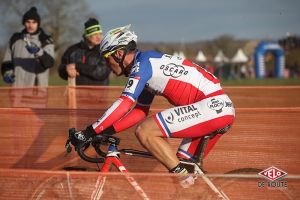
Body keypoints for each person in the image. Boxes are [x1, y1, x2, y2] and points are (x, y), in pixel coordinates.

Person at [69, 25, 235, 187]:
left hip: (212, 107)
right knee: (185, 176)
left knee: (145, 131)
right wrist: (105, 131)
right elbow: (139, 112)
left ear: (119, 53)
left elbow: (124, 103)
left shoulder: (143, 65)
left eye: (107, 59)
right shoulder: (147, 62)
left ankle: (182, 174)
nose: (106, 65)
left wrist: (88, 132)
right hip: (216, 109)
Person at [1, 6, 55, 87]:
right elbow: (7, 61)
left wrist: (38, 51)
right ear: (24, 23)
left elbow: (49, 63)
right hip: (17, 90)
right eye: (28, 22)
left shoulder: (46, 40)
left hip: (37, 90)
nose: (30, 25)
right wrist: (7, 72)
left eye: (34, 22)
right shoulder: (15, 39)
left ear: (38, 24)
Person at [58, 18, 110, 85]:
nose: (99, 37)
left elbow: (101, 72)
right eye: (94, 34)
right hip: (76, 94)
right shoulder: (72, 50)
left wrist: (77, 66)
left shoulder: (105, 51)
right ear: (87, 36)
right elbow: (61, 68)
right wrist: (66, 70)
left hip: (99, 94)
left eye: (100, 33)